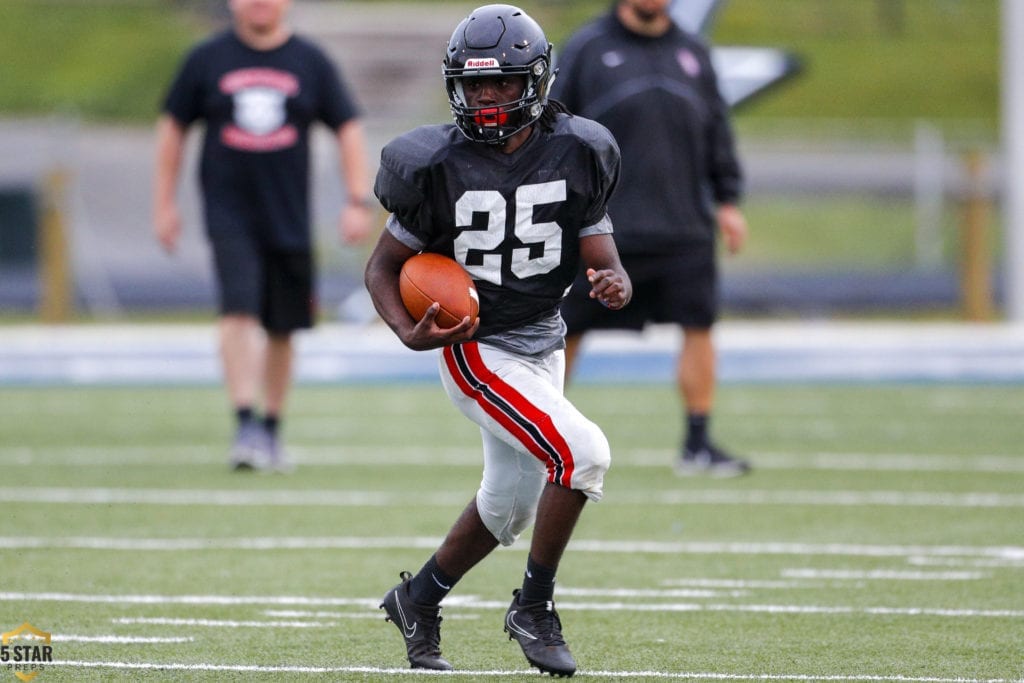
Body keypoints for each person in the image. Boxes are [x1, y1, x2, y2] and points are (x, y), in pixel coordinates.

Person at [363, 4, 631, 676]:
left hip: (544, 338)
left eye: (502, 84)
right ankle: (533, 607)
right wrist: (407, 331)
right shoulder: (433, 163)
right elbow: (380, 268)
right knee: (583, 453)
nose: (486, 97)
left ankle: (417, 597)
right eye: (475, 85)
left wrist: (612, 277)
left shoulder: (579, 148)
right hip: (476, 343)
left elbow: (599, 248)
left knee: (508, 504)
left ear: (535, 83)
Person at [153, 0, 372, 472]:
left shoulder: (310, 61)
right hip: (230, 214)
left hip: (289, 217)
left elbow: (347, 127)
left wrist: (357, 199)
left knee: (283, 326)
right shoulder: (206, 59)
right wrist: (164, 203)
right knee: (237, 310)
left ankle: (271, 428)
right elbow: (173, 126)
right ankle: (245, 421)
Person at [551, 0, 751, 477]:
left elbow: (716, 130)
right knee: (566, 330)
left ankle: (698, 444)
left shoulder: (692, 51)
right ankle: (541, 437)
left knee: (699, 327)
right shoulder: (587, 48)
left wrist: (727, 200)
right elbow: (553, 132)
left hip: (684, 225)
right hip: (603, 229)